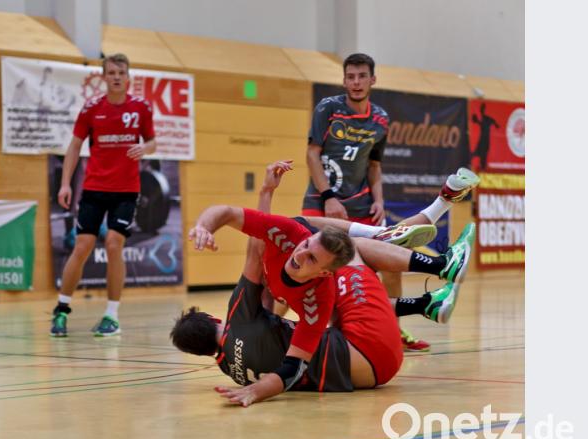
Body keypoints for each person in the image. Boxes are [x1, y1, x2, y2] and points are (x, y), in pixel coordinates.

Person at [187, 163, 474, 406]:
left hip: (364, 361)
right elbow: (254, 249)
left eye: (306, 247)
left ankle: (425, 301)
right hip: (370, 348)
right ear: (215, 319)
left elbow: (256, 240)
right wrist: (261, 194)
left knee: (332, 277)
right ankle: (435, 262)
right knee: (349, 247)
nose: (299, 253)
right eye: (307, 251)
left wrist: (254, 390)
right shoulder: (310, 300)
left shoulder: (231, 371)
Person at [301, 53, 480, 351]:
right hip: (321, 202)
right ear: (344, 80)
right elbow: (311, 155)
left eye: (362, 76)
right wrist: (328, 197)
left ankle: (393, 331)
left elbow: (374, 166)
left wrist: (379, 200)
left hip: (362, 203)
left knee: (392, 263)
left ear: (373, 79)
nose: (356, 82)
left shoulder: (381, 118)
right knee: (315, 267)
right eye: (350, 76)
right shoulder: (328, 108)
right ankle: (305, 330)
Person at [51, 54, 157, 337]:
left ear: (128, 76)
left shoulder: (141, 108)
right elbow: (74, 146)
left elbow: (152, 142)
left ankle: (111, 315)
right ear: (104, 77)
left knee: (113, 244)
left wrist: (145, 148)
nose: (116, 77)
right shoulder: (91, 109)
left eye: (121, 72)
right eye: (111, 73)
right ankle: (61, 310)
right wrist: (65, 184)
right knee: (82, 246)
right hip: (95, 188)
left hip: (126, 191)